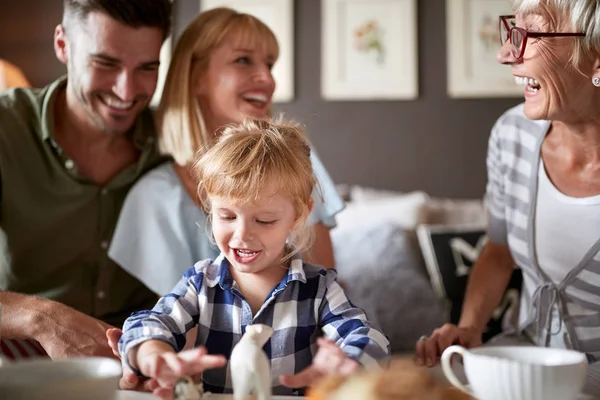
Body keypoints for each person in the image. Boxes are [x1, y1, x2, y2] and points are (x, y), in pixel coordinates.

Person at [116, 118, 390, 399]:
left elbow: (369, 338)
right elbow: (151, 322)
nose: (243, 234)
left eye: (264, 220)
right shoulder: (200, 283)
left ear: (298, 216)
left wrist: (347, 364)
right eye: (227, 216)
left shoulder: (319, 288)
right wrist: (152, 353)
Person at [414, 0, 600, 393]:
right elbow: (498, 251)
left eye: (532, 32)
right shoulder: (511, 135)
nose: (504, 53)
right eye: (512, 30)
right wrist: (469, 328)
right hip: (526, 358)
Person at [107, 7, 345, 297]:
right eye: (243, 60)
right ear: (195, 77)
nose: (268, 80)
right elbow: (178, 321)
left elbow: (326, 290)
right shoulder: (155, 197)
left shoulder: (296, 160)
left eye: (269, 64)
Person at [0, 0, 172, 365]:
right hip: (22, 357)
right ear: (63, 44)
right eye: (105, 63)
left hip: (147, 362)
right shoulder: (6, 128)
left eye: (147, 68)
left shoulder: (176, 138)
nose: (127, 92)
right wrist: (44, 319)